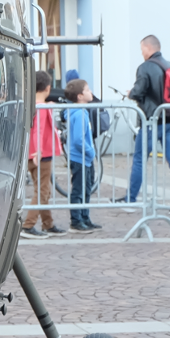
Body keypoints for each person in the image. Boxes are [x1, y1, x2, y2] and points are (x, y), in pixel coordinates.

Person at [123, 35, 170, 212]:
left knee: (139, 159)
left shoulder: (145, 67)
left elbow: (139, 91)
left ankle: (130, 199)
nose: (141, 52)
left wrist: (131, 93)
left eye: (142, 49)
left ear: (148, 48)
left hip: (152, 120)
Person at [23, 71, 64, 238]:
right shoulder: (41, 107)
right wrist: (39, 150)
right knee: (42, 191)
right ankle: (28, 225)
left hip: (33, 153)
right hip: (41, 154)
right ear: (48, 88)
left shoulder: (32, 105)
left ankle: (48, 224)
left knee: (42, 190)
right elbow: (38, 131)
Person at [64, 78, 99, 232]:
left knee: (86, 189)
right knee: (79, 190)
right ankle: (76, 220)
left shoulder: (81, 112)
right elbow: (79, 139)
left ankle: (85, 217)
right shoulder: (79, 114)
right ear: (79, 96)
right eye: (87, 90)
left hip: (85, 158)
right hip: (80, 158)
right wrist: (91, 151)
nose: (90, 92)